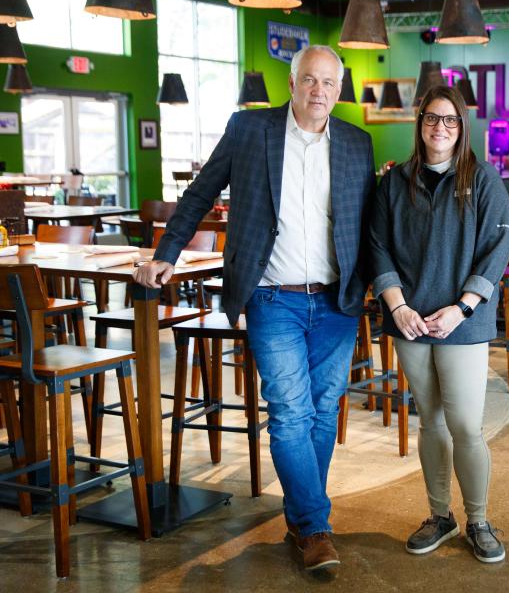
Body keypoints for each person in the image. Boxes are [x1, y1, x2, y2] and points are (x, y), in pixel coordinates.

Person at [133, 45, 376, 572]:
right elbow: (198, 195)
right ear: (292, 83)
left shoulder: (358, 143)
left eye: (329, 83)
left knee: (320, 410)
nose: (319, 91)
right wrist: (166, 254)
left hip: (337, 302)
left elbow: (371, 223)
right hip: (271, 296)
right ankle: (315, 528)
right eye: (309, 80)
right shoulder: (249, 131)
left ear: (339, 90)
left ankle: (300, 518)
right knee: (290, 412)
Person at [369, 85, 509, 563]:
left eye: (450, 120)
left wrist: (462, 308)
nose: (440, 128)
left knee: (466, 425)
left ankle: (479, 520)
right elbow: (378, 245)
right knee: (430, 422)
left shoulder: (483, 179)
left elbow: (497, 251)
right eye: (433, 118)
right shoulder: (396, 181)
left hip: (462, 324)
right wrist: (398, 307)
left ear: (462, 126)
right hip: (409, 321)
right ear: (420, 122)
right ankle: (440, 516)